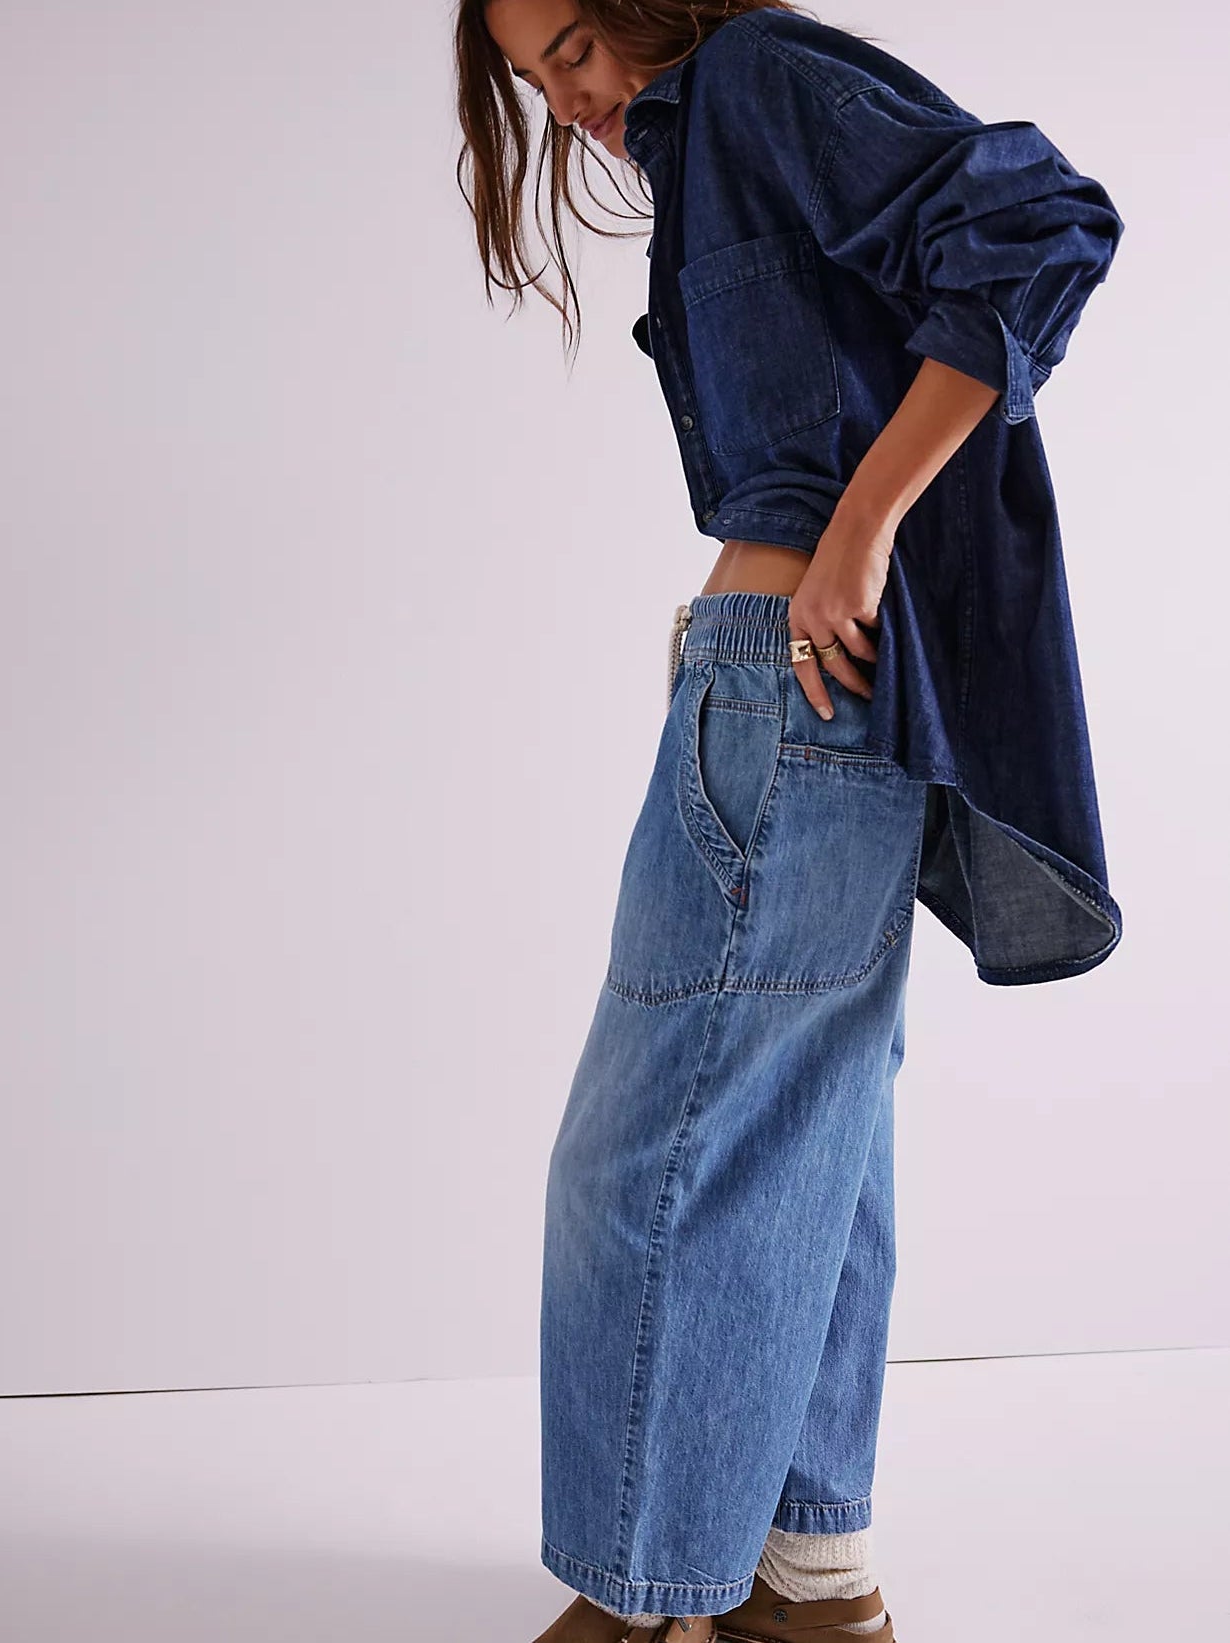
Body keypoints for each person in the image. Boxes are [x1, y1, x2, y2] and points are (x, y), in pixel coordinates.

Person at [453, 4, 1125, 1640]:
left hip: (795, 684)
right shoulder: (720, 148)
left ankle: (644, 1598)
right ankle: (801, 1573)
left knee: (646, 1154)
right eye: (543, 81)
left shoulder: (756, 77)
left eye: (578, 46)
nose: (577, 98)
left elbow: (1043, 221)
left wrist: (857, 530)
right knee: (809, 1139)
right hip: (810, 687)